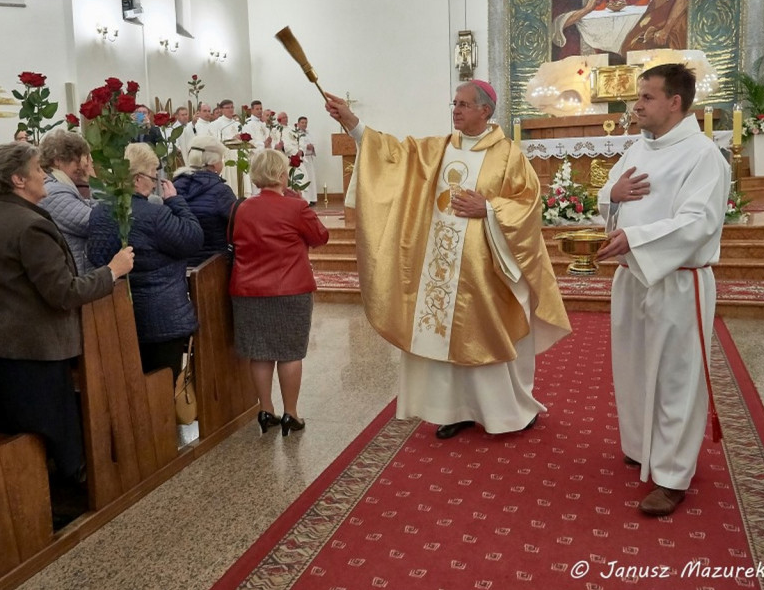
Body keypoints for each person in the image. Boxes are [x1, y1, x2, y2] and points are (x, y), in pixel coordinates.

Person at [325, 81, 570, 439]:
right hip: (439, 267)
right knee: (442, 336)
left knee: (486, 337)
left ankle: (510, 410)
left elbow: (528, 204)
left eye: (464, 104)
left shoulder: (508, 154)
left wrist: (487, 207)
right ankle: (455, 409)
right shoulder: (438, 149)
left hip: (484, 270)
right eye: (454, 103)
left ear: (485, 111)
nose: (455, 110)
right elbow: (390, 155)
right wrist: (353, 122)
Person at [596, 63, 729, 516]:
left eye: (647, 97)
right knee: (633, 367)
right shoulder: (639, 146)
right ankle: (641, 445)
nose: (636, 105)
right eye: (638, 96)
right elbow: (610, 195)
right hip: (632, 277)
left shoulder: (703, 155)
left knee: (676, 377)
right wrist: (612, 196)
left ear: (675, 102)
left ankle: (672, 475)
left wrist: (636, 238)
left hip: (677, 281)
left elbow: (699, 223)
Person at [0, 143, 134, 484]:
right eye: (36, 169)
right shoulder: (29, 226)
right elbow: (63, 292)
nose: (44, 174)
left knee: (21, 427)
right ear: (18, 179)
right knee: (52, 430)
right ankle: (67, 491)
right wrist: (112, 271)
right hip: (33, 347)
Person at [229, 149, 329, 436]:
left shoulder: (241, 207)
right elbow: (320, 237)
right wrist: (297, 204)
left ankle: (266, 410)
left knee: (259, 353)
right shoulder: (294, 207)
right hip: (290, 289)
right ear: (282, 174)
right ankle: (291, 414)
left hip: (248, 290)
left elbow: (232, 240)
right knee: (289, 353)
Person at [87, 143, 203, 383]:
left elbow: (96, 256)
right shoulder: (155, 215)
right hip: (160, 315)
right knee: (163, 386)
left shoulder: (100, 212)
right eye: (153, 176)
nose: (155, 183)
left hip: (116, 312)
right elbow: (193, 239)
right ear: (138, 179)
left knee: (128, 385)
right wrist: (176, 201)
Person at [173, 135, 238, 266]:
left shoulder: (174, 187)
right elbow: (236, 225)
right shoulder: (221, 191)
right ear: (214, 164)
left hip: (181, 262)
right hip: (215, 262)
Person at [38, 130, 97, 274]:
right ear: (58, 160)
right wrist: (95, 182)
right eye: (77, 159)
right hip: (75, 275)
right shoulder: (53, 192)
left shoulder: (62, 186)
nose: (82, 166)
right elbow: (96, 221)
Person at [285, 116, 318, 205]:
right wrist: (305, 147)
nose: (304, 124)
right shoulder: (295, 133)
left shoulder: (309, 133)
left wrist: (312, 147)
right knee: (303, 179)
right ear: (298, 123)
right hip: (301, 159)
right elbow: (297, 145)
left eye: (305, 123)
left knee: (310, 179)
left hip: (309, 159)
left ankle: (312, 198)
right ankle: (304, 199)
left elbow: (314, 143)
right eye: (302, 123)